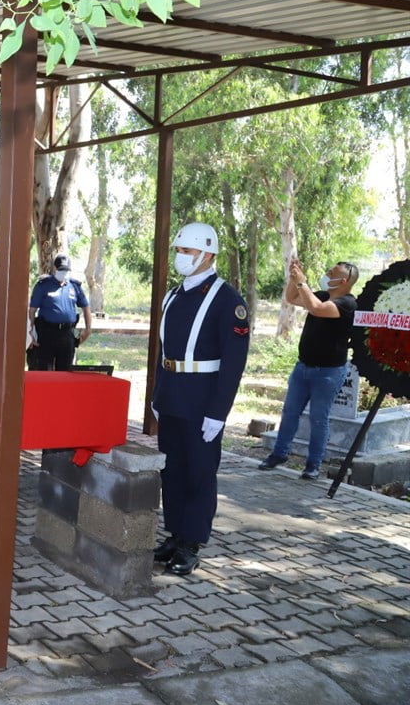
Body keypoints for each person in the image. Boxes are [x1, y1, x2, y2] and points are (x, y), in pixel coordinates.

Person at [151, 223, 250, 576]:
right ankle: (176, 534)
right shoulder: (174, 295)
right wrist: (157, 395)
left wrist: (218, 412)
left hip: (202, 399)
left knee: (199, 472)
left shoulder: (228, 301)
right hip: (173, 394)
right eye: (179, 250)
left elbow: (234, 363)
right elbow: (164, 350)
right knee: (172, 470)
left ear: (208, 254)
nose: (181, 257)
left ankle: (192, 543)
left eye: (188, 252)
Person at [259, 260, 360, 480]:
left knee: (318, 418)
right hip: (302, 367)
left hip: (328, 373)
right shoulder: (322, 294)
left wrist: (303, 283)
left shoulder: (347, 303)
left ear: (343, 281)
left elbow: (316, 309)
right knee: (290, 412)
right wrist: (294, 279)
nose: (327, 273)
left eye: (332, 272)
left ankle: (313, 465)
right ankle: (279, 454)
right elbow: (292, 298)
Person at [29, 255, 92, 371]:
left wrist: (88, 328)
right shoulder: (43, 285)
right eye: (61, 269)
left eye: (66, 270)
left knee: (66, 371)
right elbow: (32, 309)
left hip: (67, 334)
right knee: (44, 371)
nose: (63, 272)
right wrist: (31, 331)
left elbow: (86, 307)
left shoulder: (74, 286)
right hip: (47, 333)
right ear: (55, 268)